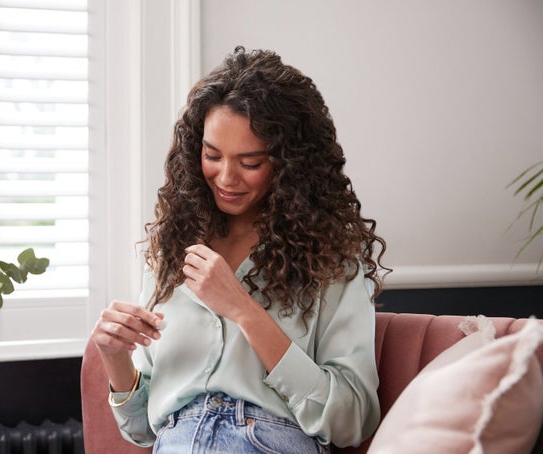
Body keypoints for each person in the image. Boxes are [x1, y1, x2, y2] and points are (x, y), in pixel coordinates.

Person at [91, 46, 389, 453]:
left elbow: (352, 418)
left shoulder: (331, 261)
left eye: (249, 162)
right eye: (212, 155)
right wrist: (114, 358)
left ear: (290, 165)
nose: (226, 178)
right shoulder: (171, 252)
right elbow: (143, 429)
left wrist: (244, 311)